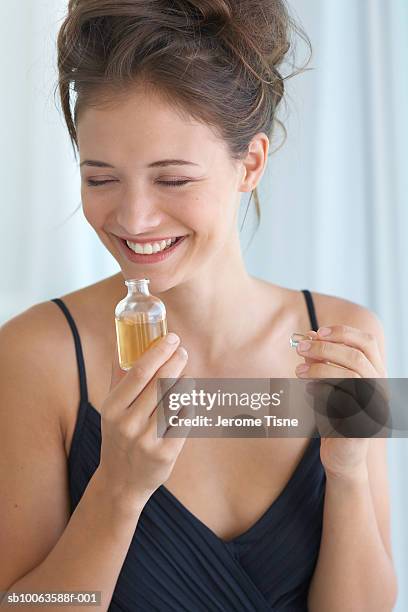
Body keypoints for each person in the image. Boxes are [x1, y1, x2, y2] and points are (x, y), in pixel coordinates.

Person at [0, 1, 397, 610]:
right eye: (100, 179)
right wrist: (117, 492)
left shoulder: (346, 338)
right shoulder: (35, 356)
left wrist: (347, 472)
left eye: (173, 179)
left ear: (252, 163)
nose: (133, 219)